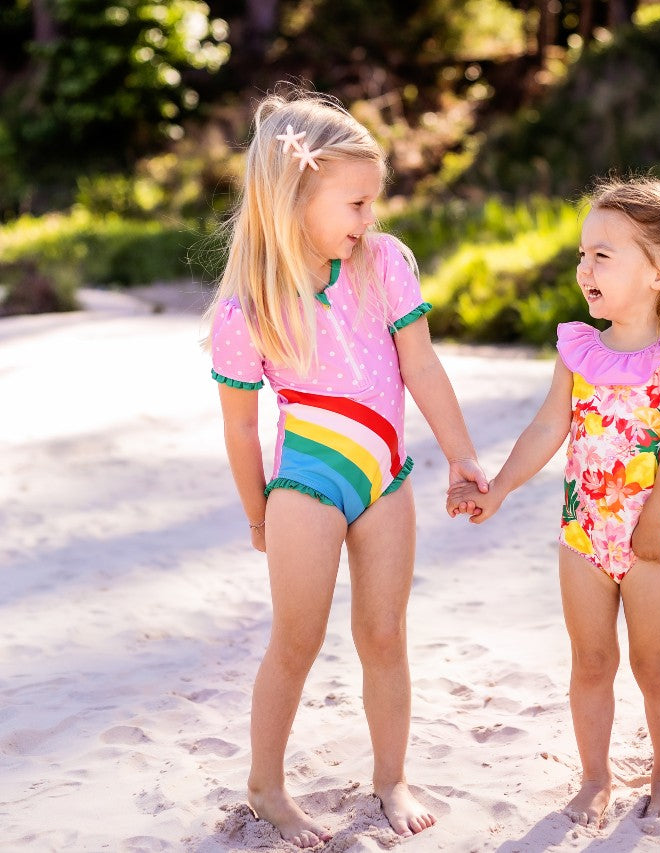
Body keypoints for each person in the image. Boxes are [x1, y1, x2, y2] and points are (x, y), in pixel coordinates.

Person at [203, 90, 487, 847]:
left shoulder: (384, 263)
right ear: (295, 194)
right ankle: (265, 785)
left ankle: (391, 775)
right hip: (304, 485)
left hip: (384, 477)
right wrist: (258, 513)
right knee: (295, 639)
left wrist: (461, 455)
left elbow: (420, 367)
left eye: (372, 202)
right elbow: (240, 428)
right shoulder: (247, 310)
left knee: (383, 633)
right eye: (355, 202)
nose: (368, 219)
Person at [447, 176, 660, 825]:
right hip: (582, 533)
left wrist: (654, 520)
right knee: (591, 660)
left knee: (654, 664)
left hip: (651, 537)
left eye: (601, 254)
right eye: (581, 253)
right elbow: (549, 427)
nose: (584, 267)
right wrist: (501, 487)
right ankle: (593, 778)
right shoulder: (578, 349)